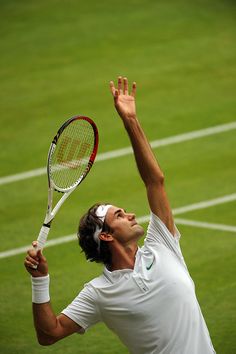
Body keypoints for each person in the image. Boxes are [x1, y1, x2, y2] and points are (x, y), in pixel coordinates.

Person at [24, 77, 216, 354]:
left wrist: (131, 121)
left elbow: (155, 181)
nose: (130, 214)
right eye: (119, 215)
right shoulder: (99, 293)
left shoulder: (162, 245)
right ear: (106, 234)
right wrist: (40, 280)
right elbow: (49, 334)